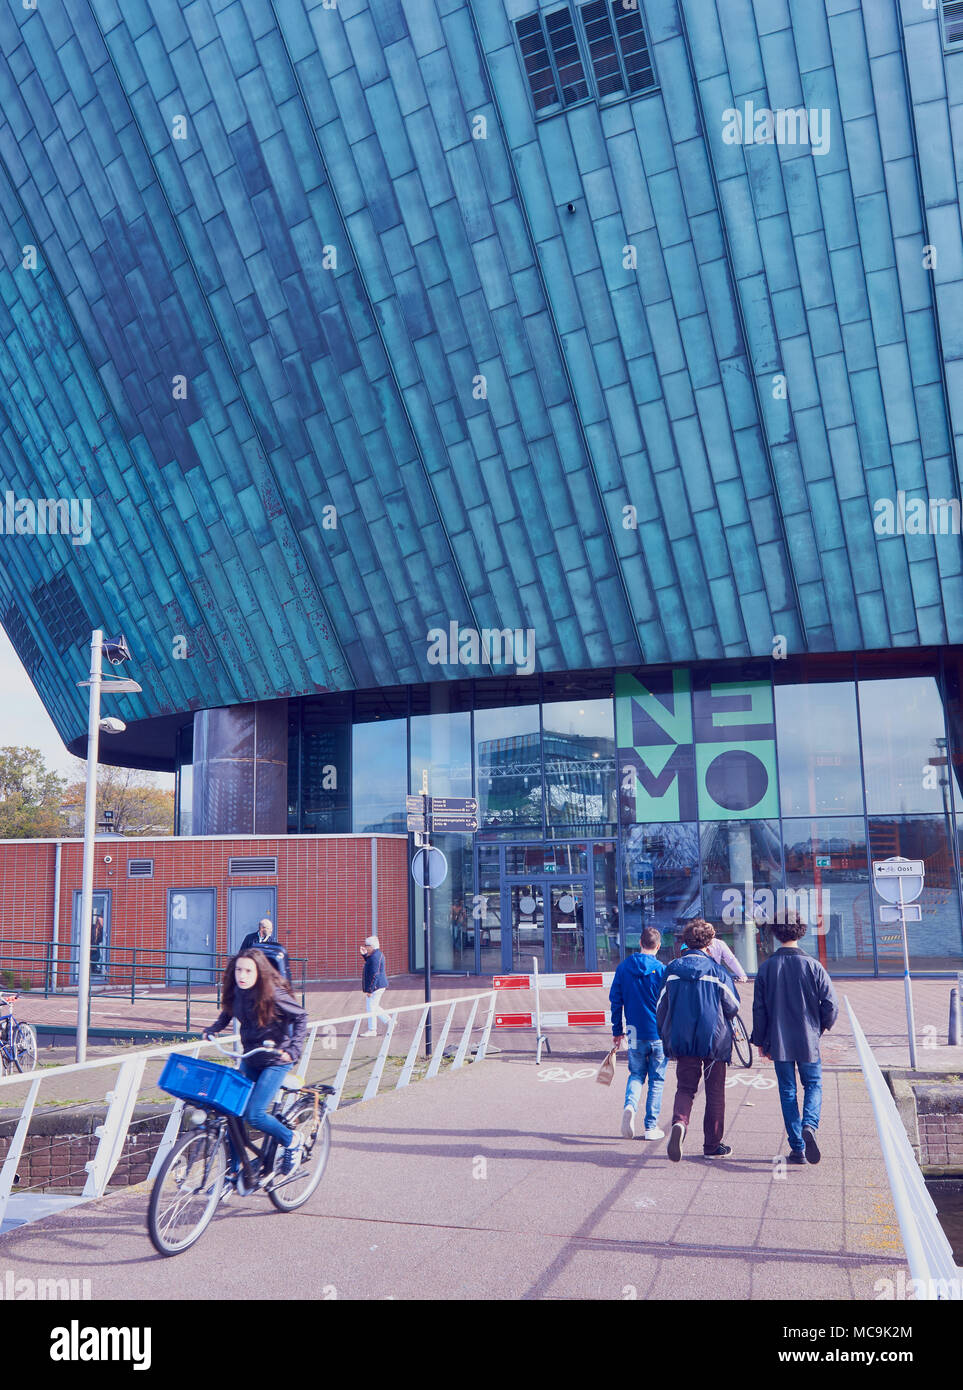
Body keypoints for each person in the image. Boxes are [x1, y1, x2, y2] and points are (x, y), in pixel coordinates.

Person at [204, 951, 308, 1175]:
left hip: (275, 1060)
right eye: (239, 970)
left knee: (254, 1114)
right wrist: (214, 1028)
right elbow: (228, 1011)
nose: (242, 975)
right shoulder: (237, 991)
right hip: (250, 1057)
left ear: (259, 972)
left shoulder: (274, 994)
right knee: (233, 1111)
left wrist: (293, 1050)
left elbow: (301, 1017)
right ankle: (233, 1171)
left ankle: (292, 1139)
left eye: (248, 970)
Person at [751, 915, 839, 1165]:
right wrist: (820, 1026)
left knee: (787, 1091)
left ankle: (797, 1147)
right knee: (813, 1084)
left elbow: (759, 1008)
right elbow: (831, 1004)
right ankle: (809, 1125)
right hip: (808, 1037)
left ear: (776, 934)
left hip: (778, 1041)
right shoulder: (813, 965)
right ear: (801, 932)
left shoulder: (767, 967)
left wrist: (760, 1041)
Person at [657, 919, 740, 1162]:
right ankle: (712, 1146)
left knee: (685, 1088)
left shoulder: (671, 970)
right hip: (714, 1041)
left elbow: (661, 1007)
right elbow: (733, 1006)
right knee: (715, 1092)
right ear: (710, 944)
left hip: (683, 1040)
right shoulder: (717, 972)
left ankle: (679, 1123)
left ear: (686, 941)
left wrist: (665, 1033)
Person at [609, 926, 667, 1140]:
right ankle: (651, 1127)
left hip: (633, 1031)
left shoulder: (624, 968)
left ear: (640, 943)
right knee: (657, 1080)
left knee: (636, 1074)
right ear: (658, 946)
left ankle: (630, 1106)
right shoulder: (662, 970)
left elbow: (616, 1001)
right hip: (658, 1032)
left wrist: (617, 1031)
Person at [239, 918, 290, 983]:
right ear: (261, 928)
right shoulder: (249, 938)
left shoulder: (272, 940)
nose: (271, 930)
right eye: (269, 928)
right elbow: (242, 952)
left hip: (265, 972)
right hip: (252, 970)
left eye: (271, 928)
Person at [359, 935, 390, 1036]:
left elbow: (375, 974)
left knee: (371, 1007)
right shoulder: (376, 955)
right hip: (380, 985)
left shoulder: (375, 957)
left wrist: (370, 990)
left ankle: (372, 1030)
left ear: (372, 946)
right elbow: (370, 963)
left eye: (367, 945)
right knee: (374, 1006)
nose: (365, 947)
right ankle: (390, 1021)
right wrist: (364, 955)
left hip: (376, 987)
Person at [90, 911, 105, 978]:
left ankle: (94, 967)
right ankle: (90, 964)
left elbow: (100, 939)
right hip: (92, 945)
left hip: (96, 944)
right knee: (96, 956)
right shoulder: (93, 928)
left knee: (97, 956)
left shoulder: (100, 930)